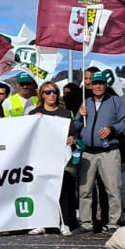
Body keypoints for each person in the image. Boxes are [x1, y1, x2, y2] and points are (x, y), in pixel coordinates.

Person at [76, 70, 125, 234]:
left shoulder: (115, 101)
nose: (98, 86)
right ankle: (85, 222)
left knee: (113, 188)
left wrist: (112, 129)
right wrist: (79, 116)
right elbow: (76, 126)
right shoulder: (86, 103)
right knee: (85, 190)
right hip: (88, 152)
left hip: (108, 151)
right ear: (90, 85)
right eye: (95, 83)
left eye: (101, 83)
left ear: (106, 85)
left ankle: (114, 222)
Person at [31, 82, 78, 234]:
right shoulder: (34, 113)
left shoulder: (65, 113)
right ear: (42, 95)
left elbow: (73, 133)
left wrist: (72, 138)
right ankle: (41, 222)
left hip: (60, 158)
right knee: (41, 189)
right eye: (47, 92)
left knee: (62, 190)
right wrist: (33, 121)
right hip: (41, 157)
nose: (51, 95)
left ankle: (64, 223)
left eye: (54, 92)